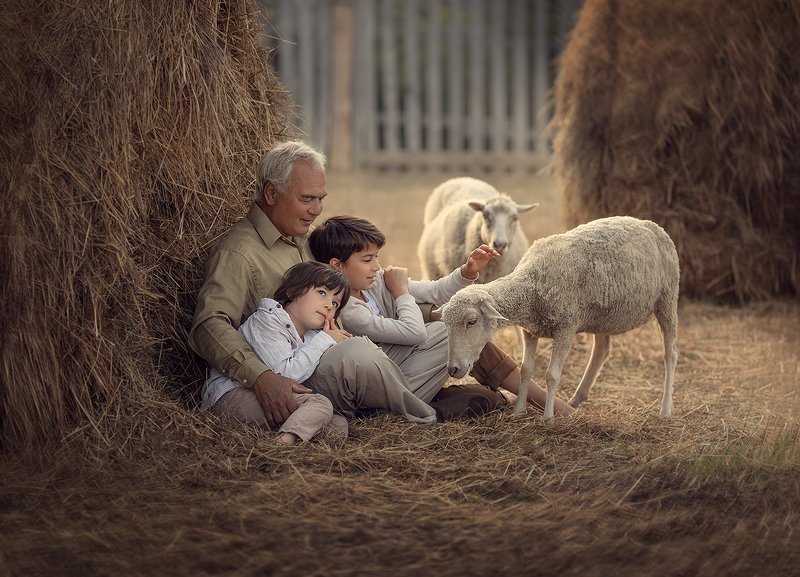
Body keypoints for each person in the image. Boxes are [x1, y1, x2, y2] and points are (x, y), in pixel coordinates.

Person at [189, 140, 437, 429]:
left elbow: (359, 285)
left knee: (442, 334)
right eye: (307, 199)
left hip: (341, 352)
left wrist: (428, 312)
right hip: (301, 368)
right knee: (358, 354)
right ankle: (424, 414)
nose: (317, 209)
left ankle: (382, 405)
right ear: (271, 193)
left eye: (321, 199)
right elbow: (209, 325)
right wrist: (261, 377)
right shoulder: (240, 251)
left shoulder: (306, 239)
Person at [308, 215, 576, 418]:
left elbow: (434, 291)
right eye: (367, 260)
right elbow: (414, 333)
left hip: (410, 371)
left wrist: (467, 271)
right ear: (337, 266)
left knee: (481, 391)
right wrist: (401, 293)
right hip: (390, 389)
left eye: (376, 257)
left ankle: (525, 398)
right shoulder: (348, 310)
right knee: (451, 329)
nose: (376, 266)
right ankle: (536, 400)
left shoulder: (375, 282)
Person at [200, 262, 353, 444]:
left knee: (338, 424)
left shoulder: (313, 337)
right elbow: (286, 375)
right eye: (322, 293)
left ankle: (290, 443)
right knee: (321, 404)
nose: (329, 305)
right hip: (231, 395)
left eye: (335, 303)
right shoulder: (267, 320)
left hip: (273, 400)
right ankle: (280, 446)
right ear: (292, 292)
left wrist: (333, 343)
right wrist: (325, 340)